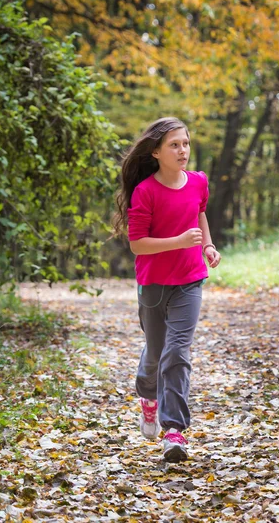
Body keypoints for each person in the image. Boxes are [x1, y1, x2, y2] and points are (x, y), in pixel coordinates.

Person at [113, 116, 221, 462]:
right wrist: (177, 241)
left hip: (190, 279)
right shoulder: (145, 192)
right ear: (157, 152)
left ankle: (174, 431)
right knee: (155, 354)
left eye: (186, 143)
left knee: (177, 353)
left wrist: (207, 245)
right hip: (154, 283)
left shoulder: (198, 182)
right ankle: (148, 396)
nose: (183, 150)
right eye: (174, 144)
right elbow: (138, 245)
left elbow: (199, 213)